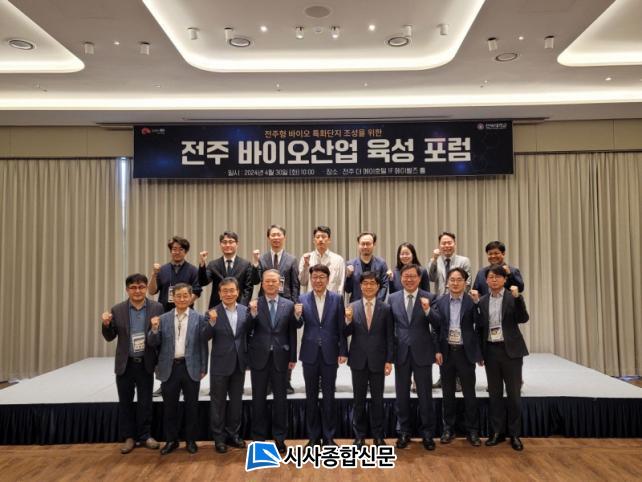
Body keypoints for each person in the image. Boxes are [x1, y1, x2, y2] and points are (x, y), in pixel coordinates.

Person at [101, 273, 164, 454]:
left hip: (145, 362)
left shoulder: (157, 308)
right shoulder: (117, 309)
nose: (137, 291)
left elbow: (161, 336)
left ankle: (145, 435)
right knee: (125, 402)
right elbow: (110, 337)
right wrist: (106, 324)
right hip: (125, 364)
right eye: (133, 288)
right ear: (127, 290)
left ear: (146, 288)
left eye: (141, 287)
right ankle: (129, 437)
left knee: (145, 402)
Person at [148, 283, 209, 455]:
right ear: (172, 298)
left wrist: (204, 367)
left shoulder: (199, 318)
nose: (182, 299)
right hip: (170, 368)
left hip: (191, 367)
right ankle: (171, 440)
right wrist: (154, 328)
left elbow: (203, 345)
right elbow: (153, 343)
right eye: (178, 296)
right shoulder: (163, 318)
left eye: (185, 296)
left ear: (191, 297)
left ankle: (190, 440)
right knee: (169, 407)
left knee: (192, 407)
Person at [473, 266, 530, 451]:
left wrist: (518, 298)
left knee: (514, 395)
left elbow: (523, 318)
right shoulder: (482, 301)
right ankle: (497, 432)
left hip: (511, 351)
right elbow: (480, 328)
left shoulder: (513, 297)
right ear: (486, 280)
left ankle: (514, 434)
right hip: (491, 351)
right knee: (495, 395)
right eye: (491, 277)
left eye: (498, 277)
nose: (494, 280)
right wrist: (480, 354)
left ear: (505, 280)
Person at [389, 264, 441, 451]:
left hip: (423, 352)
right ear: (400, 278)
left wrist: (427, 310)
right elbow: (389, 329)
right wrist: (389, 356)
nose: (409, 279)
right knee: (401, 396)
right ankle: (403, 432)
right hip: (401, 353)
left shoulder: (430, 297)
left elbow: (438, 323)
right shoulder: (392, 298)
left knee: (425, 396)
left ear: (419, 278)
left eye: (413, 276)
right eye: (406, 276)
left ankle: (428, 434)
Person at [247, 270, 298, 453]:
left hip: (281, 357)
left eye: (274, 281)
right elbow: (246, 329)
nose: (270, 284)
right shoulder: (254, 304)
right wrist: (252, 314)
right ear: (262, 284)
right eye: (267, 281)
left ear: (280, 284)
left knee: (281, 400)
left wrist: (293, 357)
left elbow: (292, 331)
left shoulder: (289, 304)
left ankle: (280, 438)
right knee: (258, 399)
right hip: (259, 358)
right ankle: (259, 439)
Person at [297, 264, 348, 447]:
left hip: (330, 353)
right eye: (315, 277)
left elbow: (341, 327)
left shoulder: (337, 299)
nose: (318, 280)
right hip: (309, 353)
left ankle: (328, 436)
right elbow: (298, 324)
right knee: (310, 397)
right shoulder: (302, 298)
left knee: (329, 397)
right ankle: (313, 437)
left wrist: (343, 351)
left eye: (321, 277)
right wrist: (296, 316)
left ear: (328, 279)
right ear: (311, 279)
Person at [433, 268, 483, 447]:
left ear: (465, 282)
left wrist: (478, 304)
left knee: (469, 393)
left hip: (465, 353)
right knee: (447, 394)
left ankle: (473, 430)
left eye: (459, 280)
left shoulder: (472, 301)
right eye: (452, 280)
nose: (455, 283)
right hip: (447, 353)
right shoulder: (440, 301)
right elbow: (436, 329)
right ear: (447, 282)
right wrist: (437, 350)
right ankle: (448, 429)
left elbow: (481, 326)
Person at [344, 271, 393, 447]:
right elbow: (345, 333)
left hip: (378, 360)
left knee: (378, 400)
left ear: (378, 287)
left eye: (372, 283)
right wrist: (348, 320)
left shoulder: (385, 308)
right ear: (360, 286)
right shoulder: (352, 306)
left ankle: (378, 436)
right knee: (358, 400)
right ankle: (359, 436)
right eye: (365, 283)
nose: (369, 286)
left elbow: (389, 337)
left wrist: (389, 360)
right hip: (358, 361)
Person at [203, 277, 250, 454]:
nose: (229, 294)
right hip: (220, 364)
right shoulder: (212, 312)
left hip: (239, 363)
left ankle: (234, 435)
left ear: (238, 292)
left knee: (236, 403)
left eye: (232, 290)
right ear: (219, 293)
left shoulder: (245, 311)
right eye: (225, 291)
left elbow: (248, 335)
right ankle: (219, 438)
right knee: (218, 403)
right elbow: (204, 336)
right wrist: (212, 322)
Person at [252, 224, 300, 394]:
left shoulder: (292, 259)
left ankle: (286, 381)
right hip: (265, 305)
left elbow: (295, 284)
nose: (276, 237)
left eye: (279, 234)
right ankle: (267, 382)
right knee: (265, 340)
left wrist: (294, 305)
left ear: (284, 237)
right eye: (273, 235)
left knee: (286, 342)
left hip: (286, 306)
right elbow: (256, 281)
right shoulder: (262, 259)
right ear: (268, 238)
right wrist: (255, 264)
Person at [198, 231, 255, 308]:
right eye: (224, 242)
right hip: (217, 308)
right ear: (220, 245)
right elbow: (203, 282)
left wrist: (242, 307)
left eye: (231, 242)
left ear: (237, 244)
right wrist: (202, 264)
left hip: (238, 307)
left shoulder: (245, 264)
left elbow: (248, 288)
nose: (227, 245)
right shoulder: (213, 264)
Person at [148, 236, 202, 312]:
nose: (177, 252)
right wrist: (154, 275)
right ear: (170, 251)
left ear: (186, 252)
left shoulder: (193, 270)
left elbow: (196, 292)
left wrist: (182, 306)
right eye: (174, 249)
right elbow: (151, 291)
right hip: (164, 312)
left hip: (186, 312)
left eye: (181, 249)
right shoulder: (162, 270)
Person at [298, 225, 345, 295]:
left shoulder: (338, 259)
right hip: (312, 299)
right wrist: (305, 266)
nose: (320, 239)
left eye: (323, 237)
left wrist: (338, 300)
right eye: (317, 237)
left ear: (329, 240)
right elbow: (302, 282)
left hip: (331, 299)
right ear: (314, 240)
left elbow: (341, 284)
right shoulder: (306, 258)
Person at [345, 232, 389, 302]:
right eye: (363, 244)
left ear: (374, 244)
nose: (365, 247)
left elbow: (384, 286)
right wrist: (348, 276)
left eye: (368, 244)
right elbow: (348, 290)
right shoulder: (350, 264)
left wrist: (376, 303)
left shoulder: (381, 263)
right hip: (356, 305)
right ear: (358, 245)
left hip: (376, 305)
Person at [427, 231, 472, 296]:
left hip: (458, 298)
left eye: (449, 243)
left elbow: (468, 283)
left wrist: (457, 296)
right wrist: (434, 260)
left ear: (455, 244)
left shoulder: (464, 261)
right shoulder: (434, 261)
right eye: (444, 243)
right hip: (440, 299)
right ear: (439, 246)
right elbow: (432, 278)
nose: (447, 245)